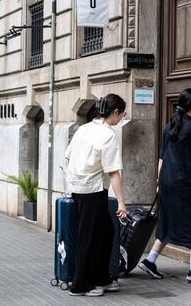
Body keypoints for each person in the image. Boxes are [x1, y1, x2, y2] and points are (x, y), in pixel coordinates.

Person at [138, 88, 191, 282]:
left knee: (169, 221)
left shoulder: (170, 126)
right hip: (189, 185)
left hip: (168, 182)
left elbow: (162, 157)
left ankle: (150, 260)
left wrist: (159, 183)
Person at [64, 94, 127, 297]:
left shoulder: (84, 128)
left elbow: (67, 155)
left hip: (79, 187)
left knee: (105, 231)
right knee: (89, 237)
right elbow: (113, 171)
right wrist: (121, 203)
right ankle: (80, 284)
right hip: (92, 189)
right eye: (122, 114)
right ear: (115, 112)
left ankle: (101, 277)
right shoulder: (108, 135)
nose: (122, 119)